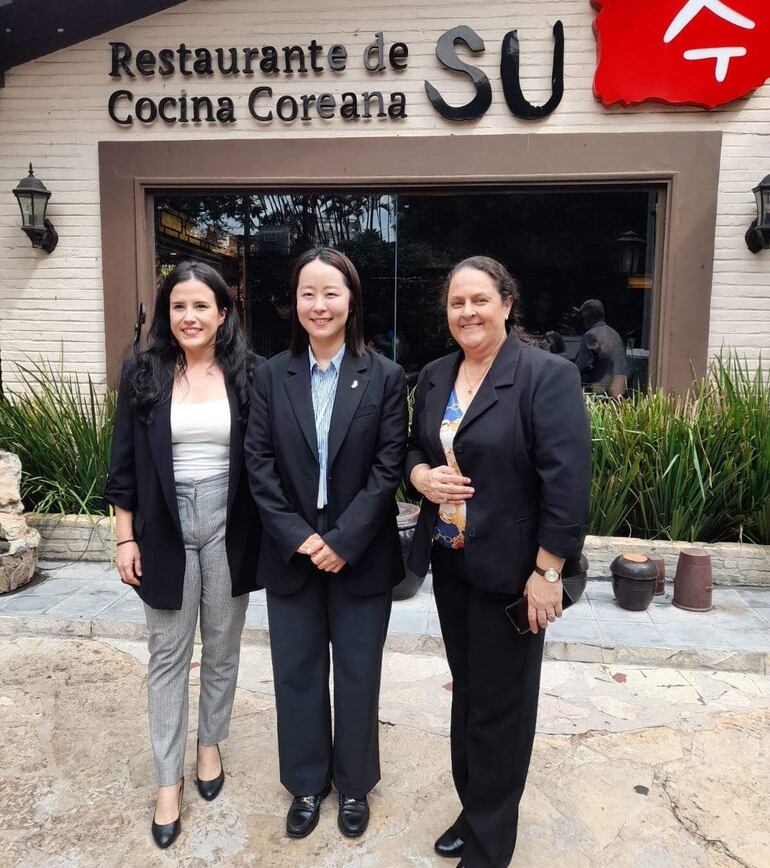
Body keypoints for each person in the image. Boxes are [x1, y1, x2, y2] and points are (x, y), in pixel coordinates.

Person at [406, 256, 591, 868]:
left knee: (502, 708)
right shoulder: (435, 375)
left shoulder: (545, 376)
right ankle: (475, 806)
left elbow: (567, 486)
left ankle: (489, 845)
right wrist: (421, 476)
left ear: (507, 304)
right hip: (451, 563)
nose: (467, 312)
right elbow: (415, 447)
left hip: (516, 573)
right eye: (457, 302)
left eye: (480, 300)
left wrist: (548, 574)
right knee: (470, 696)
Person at [245, 247, 407, 840]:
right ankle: (307, 783)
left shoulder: (385, 376)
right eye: (308, 293)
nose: (319, 304)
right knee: (297, 672)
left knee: (359, 673)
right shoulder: (269, 375)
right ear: (294, 303)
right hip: (292, 553)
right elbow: (257, 465)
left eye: (331, 293)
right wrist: (303, 538)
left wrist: (341, 539)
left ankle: (356, 783)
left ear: (351, 300)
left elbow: (388, 469)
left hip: (359, 553)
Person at [105, 260, 264, 849]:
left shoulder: (250, 373)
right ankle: (166, 780)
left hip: (231, 523)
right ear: (166, 313)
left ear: (222, 313)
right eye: (178, 306)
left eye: (202, 306)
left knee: (222, 648)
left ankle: (209, 744)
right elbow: (122, 466)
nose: (189, 316)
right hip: (164, 527)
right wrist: (125, 537)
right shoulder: (142, 373)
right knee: (168, 655)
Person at [574, 298, 628, 398]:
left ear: (587, 317)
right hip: (615, 393)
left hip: (596, 394)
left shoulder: (590, 336)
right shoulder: (614, 334)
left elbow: (578, 368)